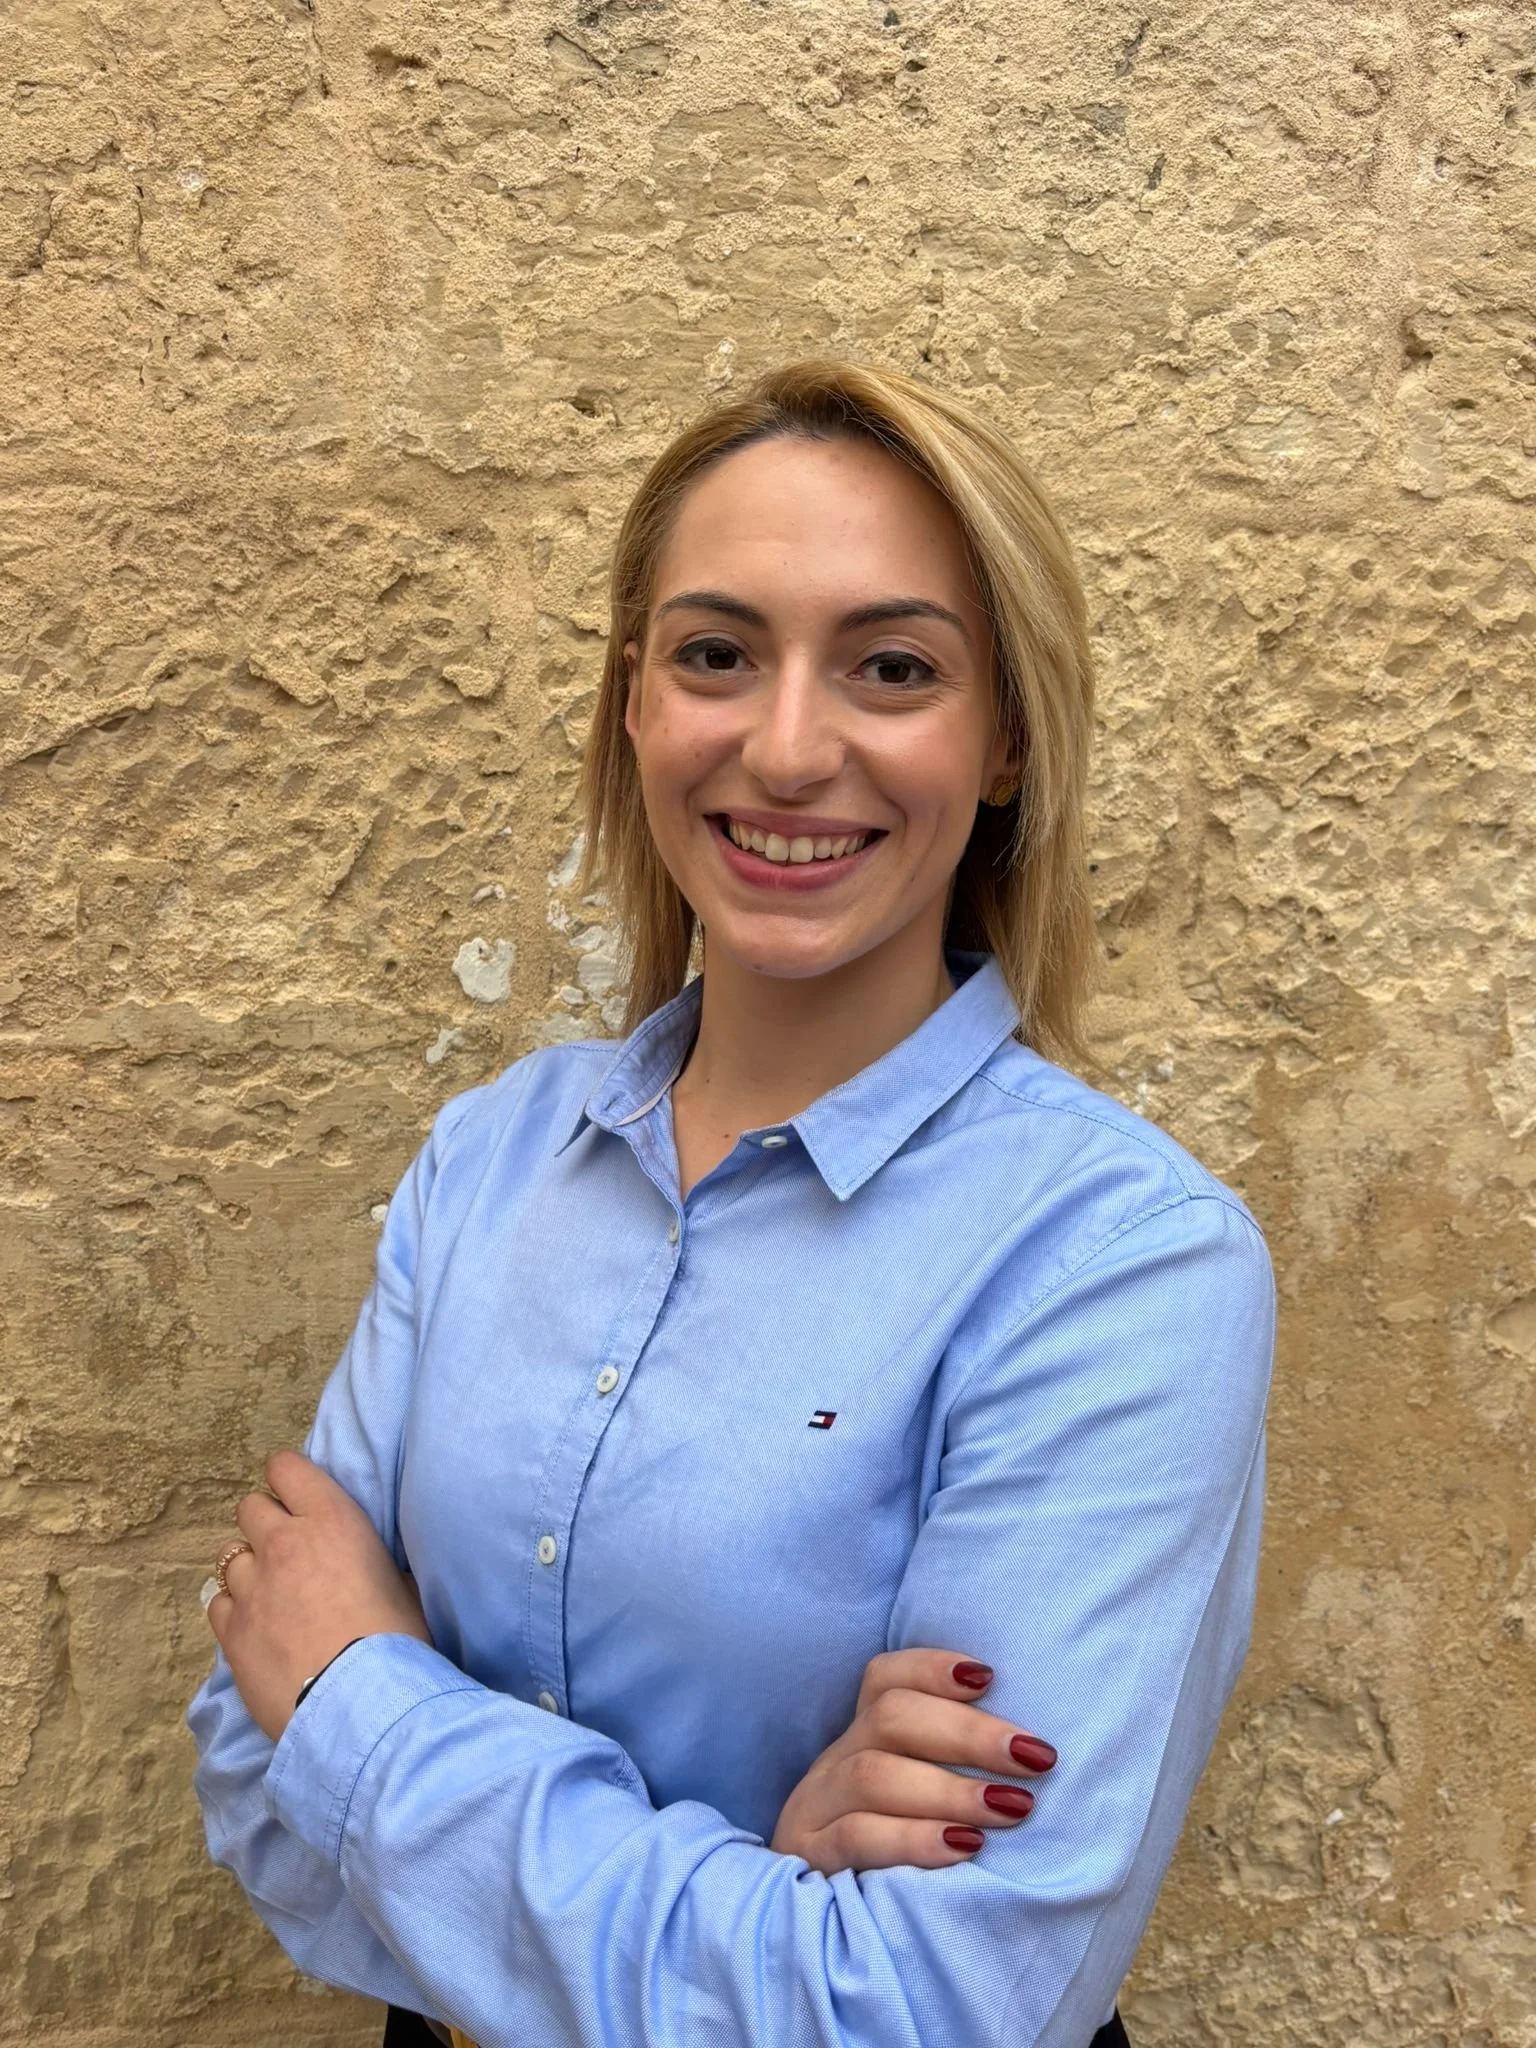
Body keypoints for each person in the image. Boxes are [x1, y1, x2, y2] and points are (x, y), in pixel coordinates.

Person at [188, 360, 1274, 2048]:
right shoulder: (490, 1158)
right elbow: (258, 1789)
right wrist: (759, 1884)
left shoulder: (1121, 1264)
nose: (785, 748)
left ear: (1005, 740)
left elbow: (929, 2006)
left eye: (893, 668)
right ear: (633, 700)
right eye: (717, 654)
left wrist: (362, 1698)